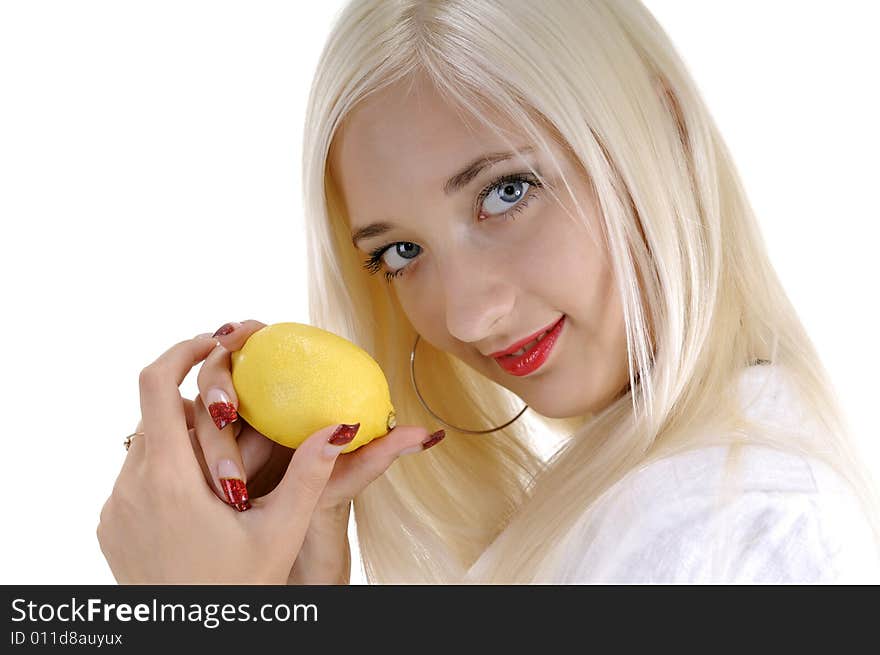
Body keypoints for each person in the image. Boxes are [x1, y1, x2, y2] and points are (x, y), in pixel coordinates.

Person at [97, 0, 880, 584]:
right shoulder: (653, 494)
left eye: (507, 191)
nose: (467, 315)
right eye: (400, 251)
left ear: (662, 133)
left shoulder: (734, 525)